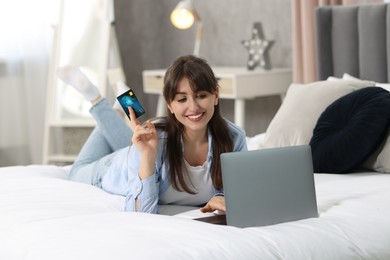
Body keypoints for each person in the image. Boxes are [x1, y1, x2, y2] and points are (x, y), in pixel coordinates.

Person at [57, 55, 247, 214]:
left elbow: (235, 191)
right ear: (170, 105)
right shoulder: (158, 139)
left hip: (136, 150)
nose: (194, 107)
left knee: (136, 143)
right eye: (182, 99)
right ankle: (95, 97)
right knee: (75, 172)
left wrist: (221, 199)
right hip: (114, 168)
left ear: (216, 95)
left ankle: (122, 107)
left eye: (201, 96)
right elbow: (140, 215)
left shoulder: (234, 138)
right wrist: (147, 157)